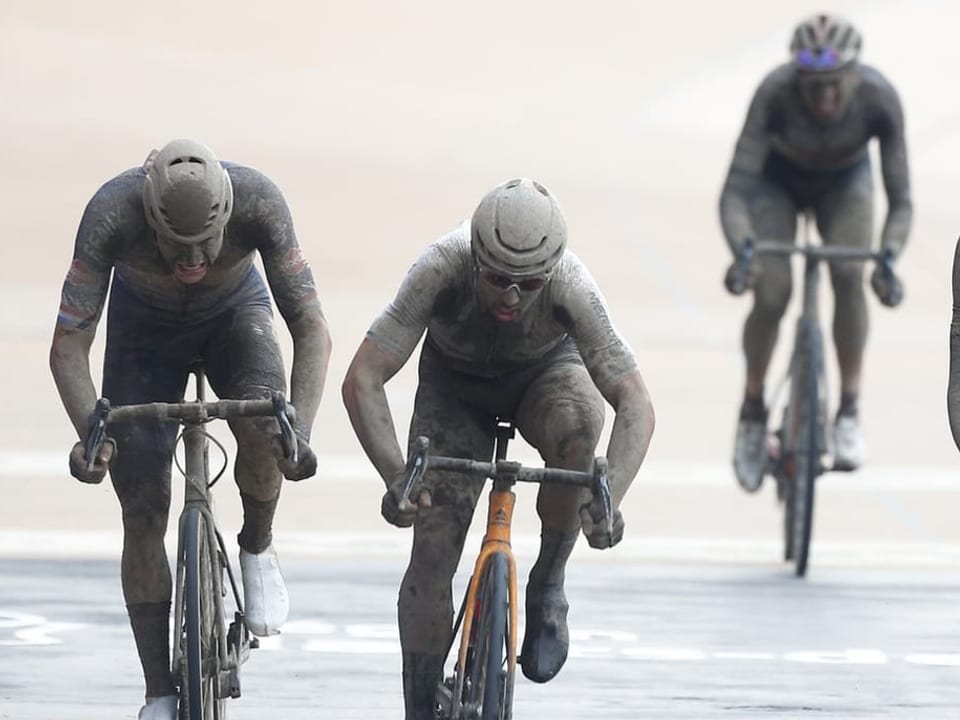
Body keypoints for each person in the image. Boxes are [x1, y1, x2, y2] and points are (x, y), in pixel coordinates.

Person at [341, 177, 655, 719]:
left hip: (546, 379)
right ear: (475, 258)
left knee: (580, 426)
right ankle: (418, 705)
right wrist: (398, 476)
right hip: (454, 389)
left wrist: (608, 501)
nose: (511, 297)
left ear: (551, 272)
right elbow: (363, 377)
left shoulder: (573, 286)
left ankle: (549, 578)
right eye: (497, 280)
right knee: (432, 554)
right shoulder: (441, 265)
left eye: (529, 284)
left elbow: (637, 404)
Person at [49, 139, 332, 720]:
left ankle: (256, 544)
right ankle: (157, 690)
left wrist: (297, 426)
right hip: (142, 332)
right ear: (147, 217)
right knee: (143, 507)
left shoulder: (259, 201)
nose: (193, 259)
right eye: (175, 247)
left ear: (229, 214)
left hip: (235, 318)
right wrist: (91, 432)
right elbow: (68, 345)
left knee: (264, 425)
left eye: (207, 244)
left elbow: (311, 328)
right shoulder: (110, 213)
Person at [719, 13, 911, 491]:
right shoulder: (775, 93)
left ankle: (848, 407)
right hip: (775, 183)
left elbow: (901, 199)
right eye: (813, 85)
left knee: (849, 273)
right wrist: (745, 251)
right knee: (772, 292)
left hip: (846, 184)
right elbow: (736, 191)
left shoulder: (878, 99)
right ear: (796, 78)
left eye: (834, 85)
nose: (824, 97)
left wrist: (888, 255)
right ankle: (752, 409)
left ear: (854, 75)